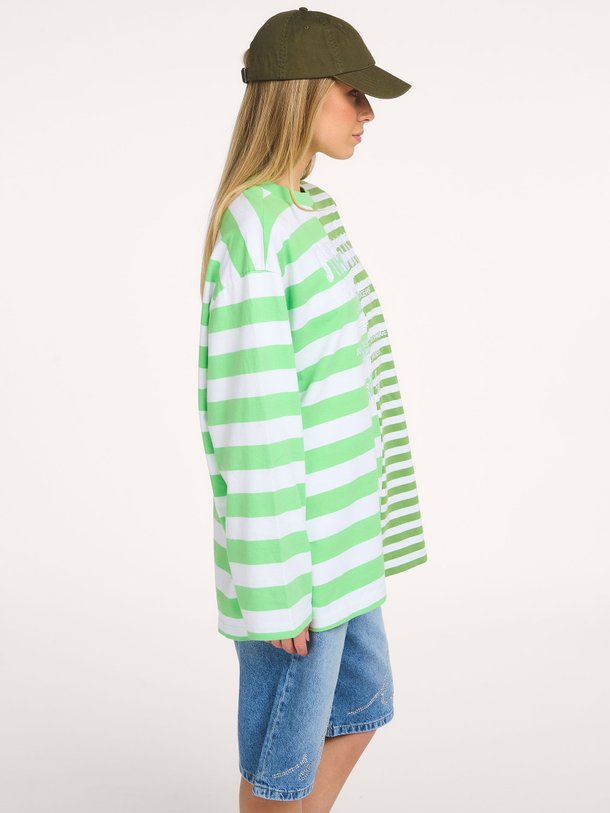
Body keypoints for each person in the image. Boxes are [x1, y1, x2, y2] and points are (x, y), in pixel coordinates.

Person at [197, 7, 428, 810]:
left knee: (362, 704)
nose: (367, 114)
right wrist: (274, 589)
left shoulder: (307, 211)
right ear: (299, 93)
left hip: (342, 544)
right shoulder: (255, 225)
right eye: (352, 93)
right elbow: (253, 417)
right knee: (280, 767)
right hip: (294, 563)